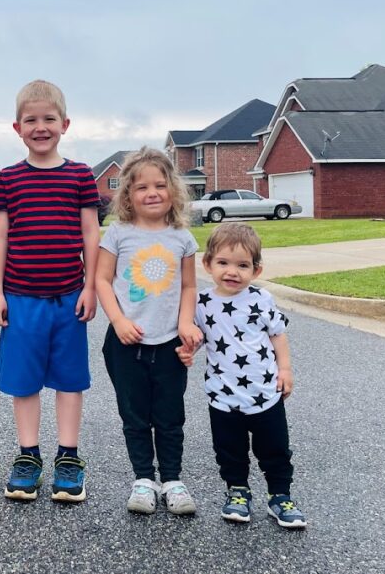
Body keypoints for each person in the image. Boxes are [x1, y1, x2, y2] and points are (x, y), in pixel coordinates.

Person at [0, 80, 101, 503]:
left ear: (65, 124)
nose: (40, 127)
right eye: (31, 120)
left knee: (70, 381)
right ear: (17, 127)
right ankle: (28, 456)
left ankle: (69, 458)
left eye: (48, 119)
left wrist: (90, 285)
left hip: (68, 298)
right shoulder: (8, 178)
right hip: (20, 299)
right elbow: (0, 236)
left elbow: (90, 233)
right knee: (25, 382)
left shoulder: (79, 175)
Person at [177, 222, 308, 528]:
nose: (232, 272)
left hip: (265, 393)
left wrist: (285, 369)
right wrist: (188, 352)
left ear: (256, 270)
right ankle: (237, 492)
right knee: (229, 450)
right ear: (208, 264)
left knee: (275, 449)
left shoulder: (261, 300)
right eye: (223, 263)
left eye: (242, 265)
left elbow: (278, 336)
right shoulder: (202, 304)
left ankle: (280, 496)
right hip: (222, 394)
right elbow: (198, 337)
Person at [95, 147, 202, 515]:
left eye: (160, 185)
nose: (151, 193)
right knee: (135, 415)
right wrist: (119, 321)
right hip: (126, 345)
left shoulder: (182, 238)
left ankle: (172, 480)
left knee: (170, 416)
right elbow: (101, 280)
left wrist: (187, 323)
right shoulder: (118, 234)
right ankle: (143, 479)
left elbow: (189, 287)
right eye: (142, 187)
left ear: (173, 189)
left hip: (170, 343)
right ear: (128, 194)